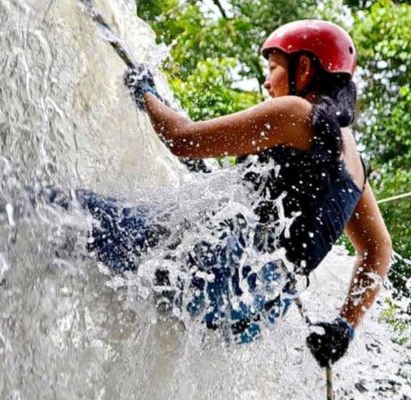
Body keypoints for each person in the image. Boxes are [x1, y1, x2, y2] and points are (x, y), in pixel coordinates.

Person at [83, 20, 392, 367]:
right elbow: (378, 248)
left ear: (304, 68)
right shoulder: (353, 162)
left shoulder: (295, 113)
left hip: (216, 272)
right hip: (253, 313)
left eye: (273, 68)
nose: (266, 82)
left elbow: (182, 139)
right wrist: (344, 327)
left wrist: (146, 94)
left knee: (65, 213)